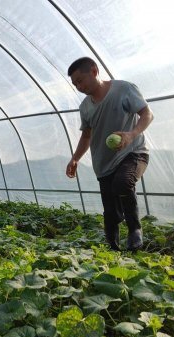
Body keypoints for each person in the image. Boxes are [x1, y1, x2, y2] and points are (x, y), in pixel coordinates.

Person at [65, 57, 153, 251]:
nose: (78, 86)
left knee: (123, 183)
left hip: (133, 152)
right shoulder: (85, 107)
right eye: (75, 84)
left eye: (81, 80)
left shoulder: (123, 89)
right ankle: (113, 249)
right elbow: (87, 136)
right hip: (104, 163)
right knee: (111, 213)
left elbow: (147, 114)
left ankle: (134, 230)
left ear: (94, 71)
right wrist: (75, 158)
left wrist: (131, 135)